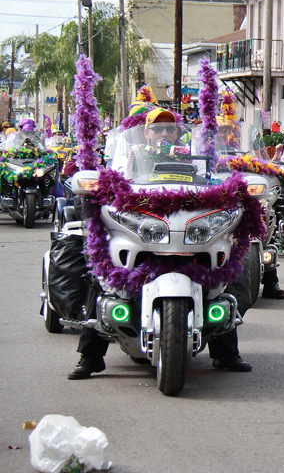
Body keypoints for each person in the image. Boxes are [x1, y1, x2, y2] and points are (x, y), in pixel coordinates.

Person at [70, 108, 252, 379]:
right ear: (146, 132)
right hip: (146, 227)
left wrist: (230, 192)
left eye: (169, 128)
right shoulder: (132, 155)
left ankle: (226, 352)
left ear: (178, 133)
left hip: (189, 229)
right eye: (157, 128)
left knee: (222, 276)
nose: (164, 133)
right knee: (103, 275)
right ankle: (91, 356)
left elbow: (214, 184)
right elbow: (116, 184)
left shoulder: (194, 156)